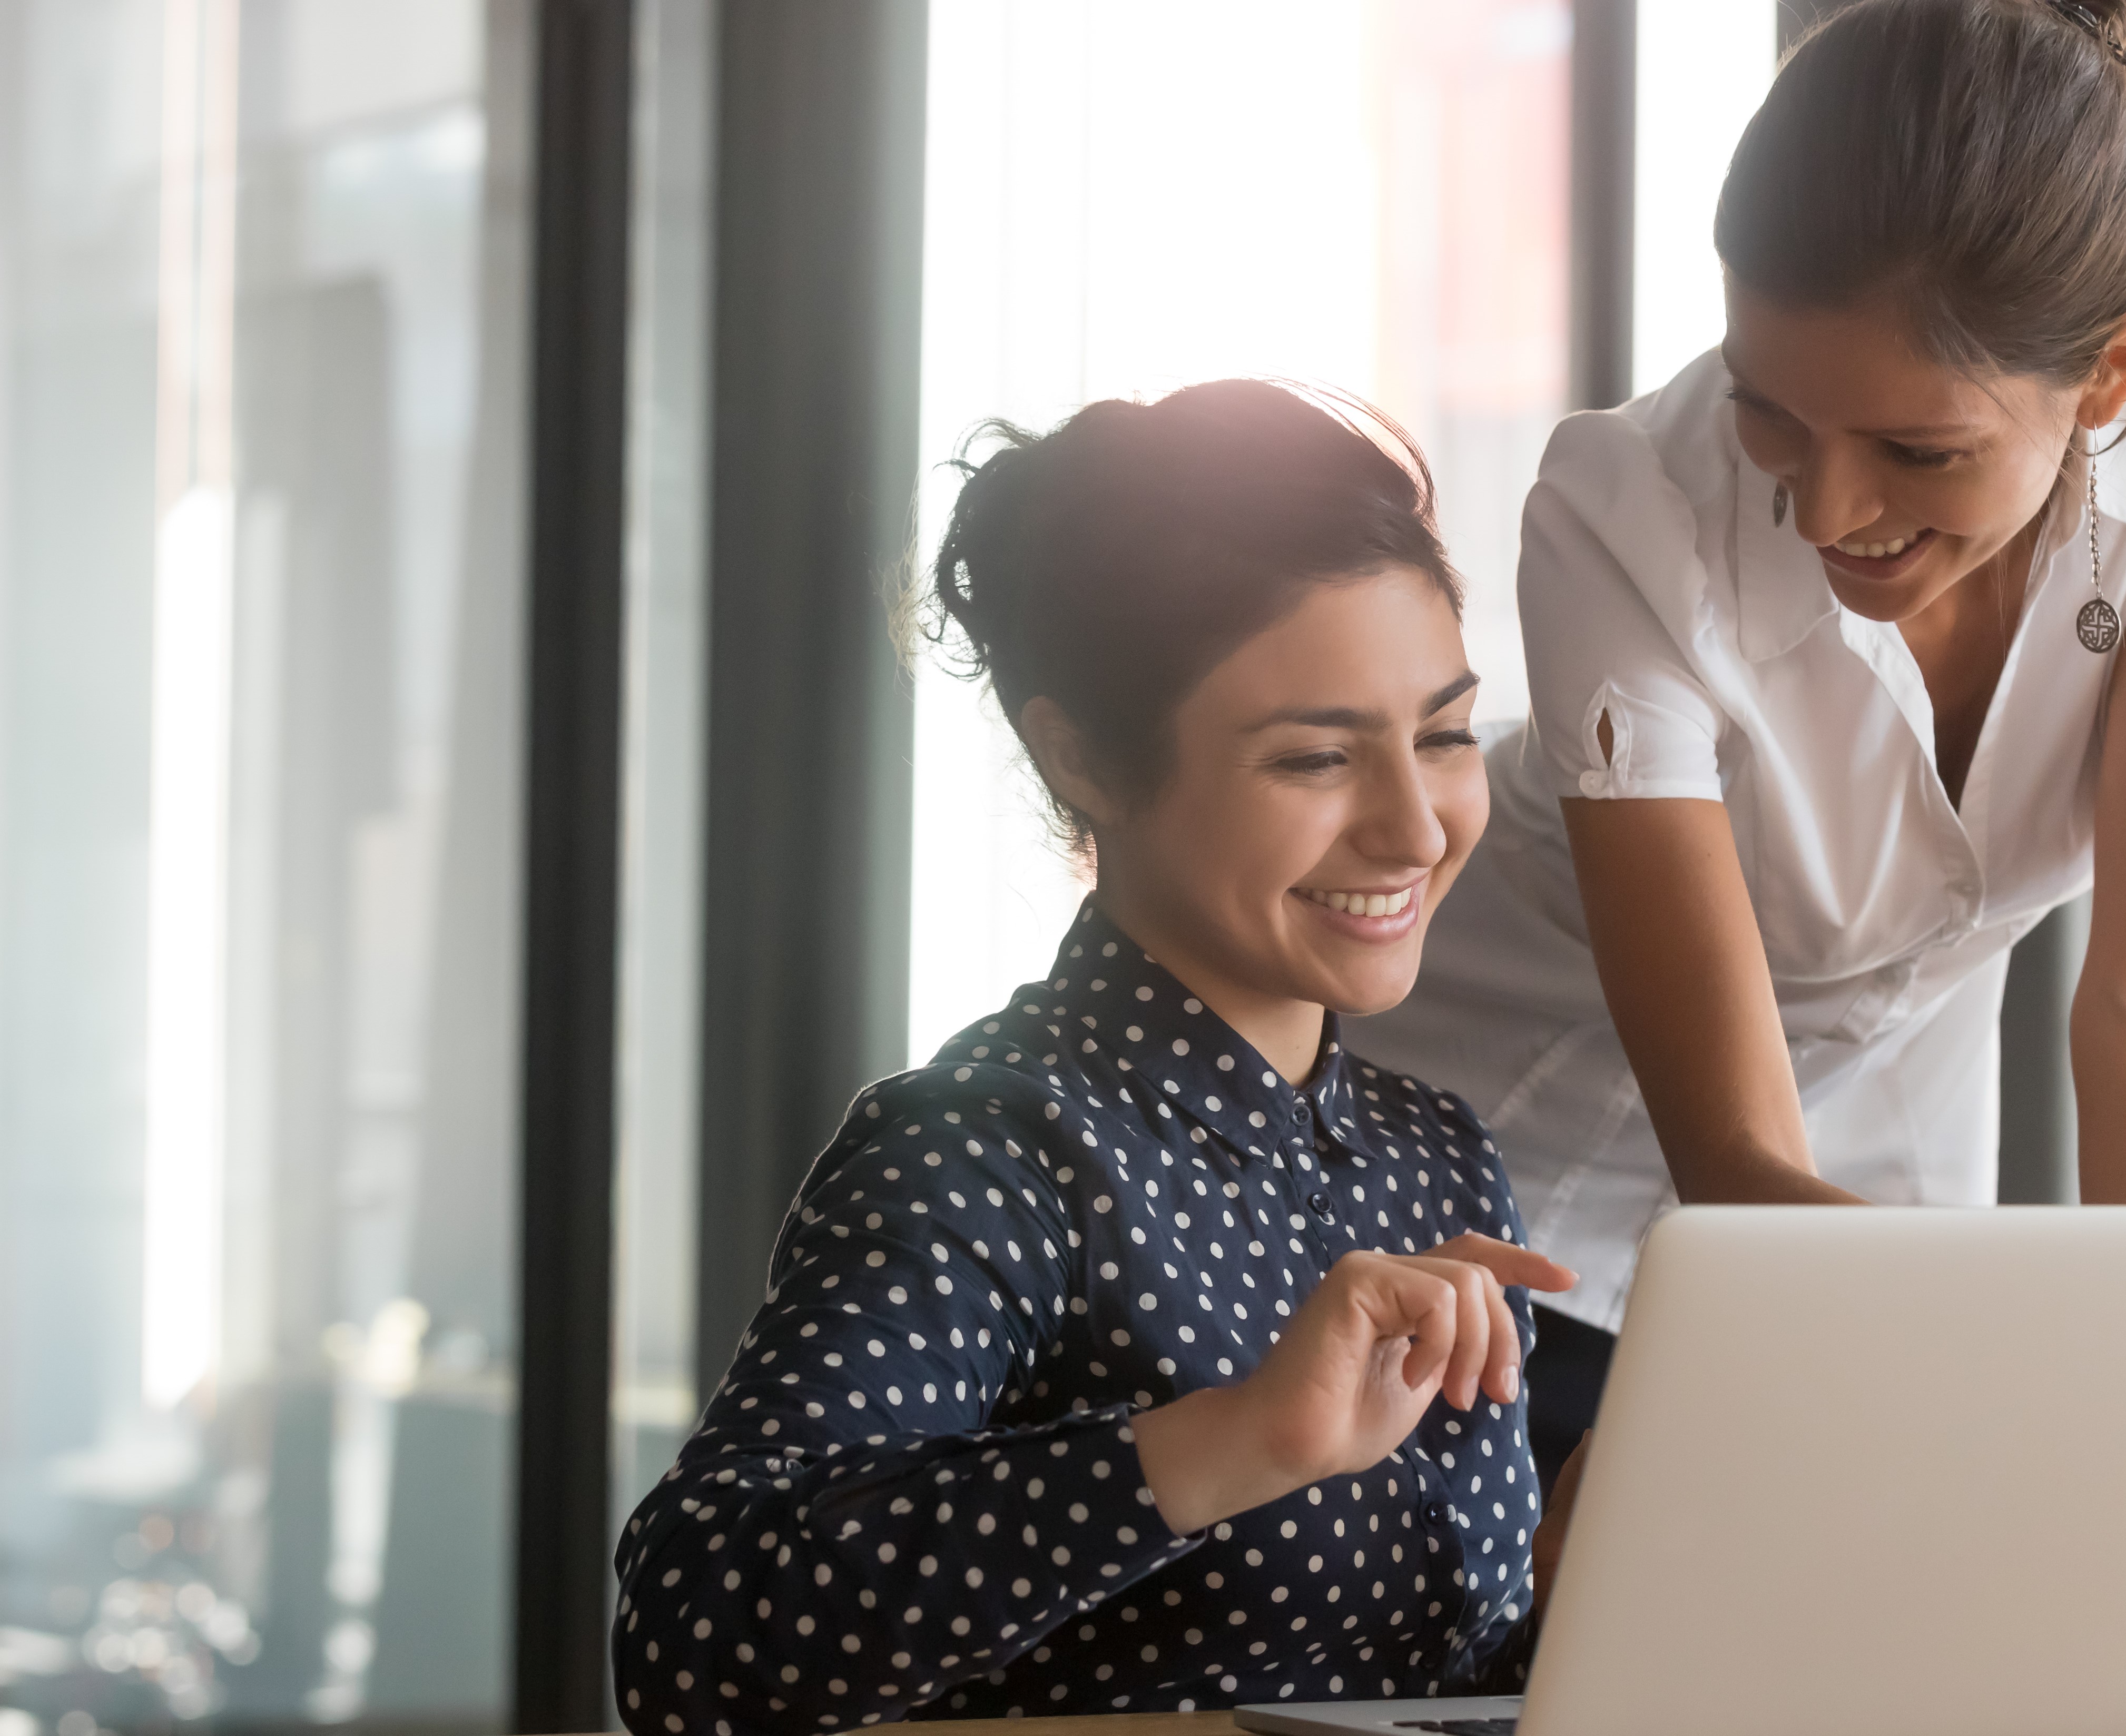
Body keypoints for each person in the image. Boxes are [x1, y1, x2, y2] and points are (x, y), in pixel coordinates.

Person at [1349, 0, 2126, 1698]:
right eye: (1769, 413)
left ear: (2112, 372)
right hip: (1509, 1211)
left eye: (1917, 451)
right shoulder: (1621, 516)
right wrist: (2038, 1480)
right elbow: (1723, 1150)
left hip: (1872, 1210)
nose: (1825, 507)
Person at [613, 380, 1585, 1728]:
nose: (1415, 828)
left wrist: (1587, 1580)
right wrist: (1238, 1440)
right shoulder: (983, 1145)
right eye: (1315, 759)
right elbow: (696, 1634)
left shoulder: (1434, 1157)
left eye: (1439, 734)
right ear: (1080, 758)